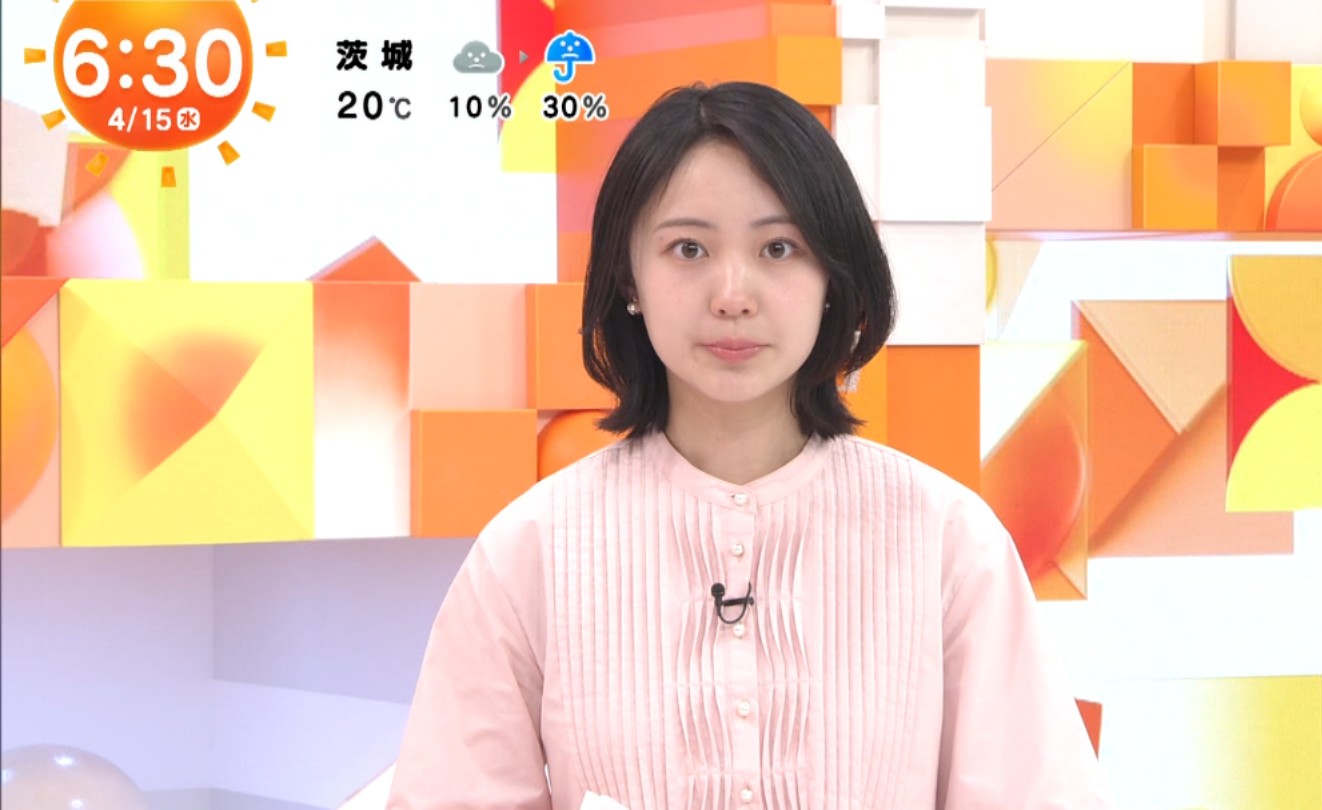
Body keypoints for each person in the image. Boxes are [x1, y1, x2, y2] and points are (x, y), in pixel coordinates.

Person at [387, 80, 1114, 809]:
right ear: (628, 278)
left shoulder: (948, 542)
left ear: (833, 277)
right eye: (688, 248)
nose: (732, 294)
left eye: (778, 247)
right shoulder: (531, 551)